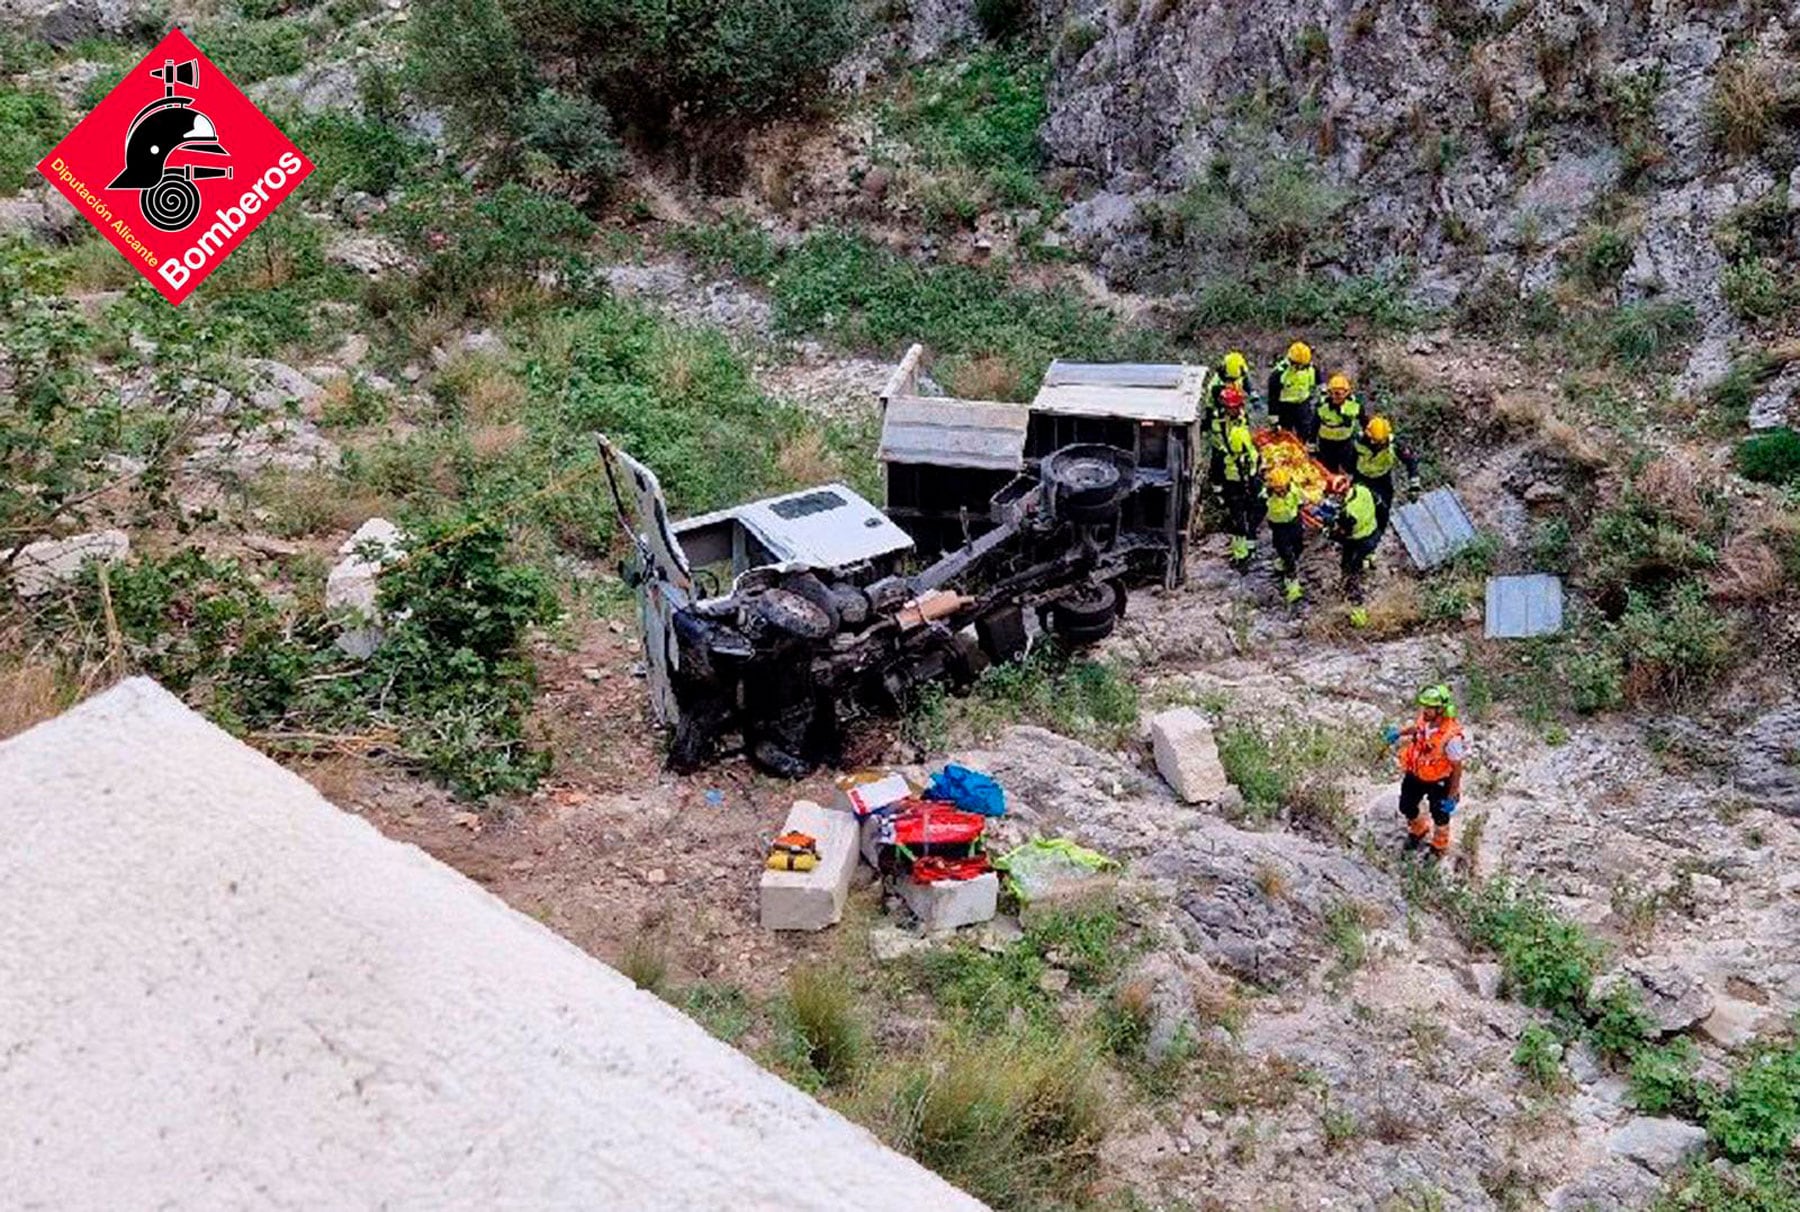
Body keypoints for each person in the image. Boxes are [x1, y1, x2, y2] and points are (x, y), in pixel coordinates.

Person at [1386, 684, 1468, 859]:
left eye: (1430, 707)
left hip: (1439, 780)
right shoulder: (1425, 719)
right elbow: (1418, 728)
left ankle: (1439, 845)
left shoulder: (1451, 737)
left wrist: (1452, 795)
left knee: (1440, 815)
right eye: (1424, 706)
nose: (1425, 710)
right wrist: (1399, 733)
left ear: (1441, 710)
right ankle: (1419, 829)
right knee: (1406, 806)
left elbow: (1457, 767)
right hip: (1416, 773)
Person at [1215, 386, 1262, 567]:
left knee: (1253, 512)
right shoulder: (1222, 426)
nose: (1234, 409)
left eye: (1236, 406)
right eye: (1231, 407)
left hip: (1249, 476)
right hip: (1233, 479)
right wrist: (1218, 489)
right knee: (1238, 517)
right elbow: (1219, 461)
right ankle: (1240, 554)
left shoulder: (1242, 420)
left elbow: (1251, 448)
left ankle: (1250, 548)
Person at [1324, 473, 1380, 626]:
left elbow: (1343, 535)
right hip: (1373, 532)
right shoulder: (1362, 490)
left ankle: (1358, 612)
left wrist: (1329, 533)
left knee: (1351, 574)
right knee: (1347, 564)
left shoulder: (1348, 514)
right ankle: (1367, 561)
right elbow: (1378, 502)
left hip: (1358, 542)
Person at [1353, 415, 1421, 537]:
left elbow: (1411, 461)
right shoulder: (1358, 440)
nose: (1377, 445)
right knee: (1359, 506)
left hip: (1382, 479)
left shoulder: (1394, 445)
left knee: (1383, 507)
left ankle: (1379, 531)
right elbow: (1348, 457)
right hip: (1362, 478)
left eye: (1380, 442)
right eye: (1374, 441)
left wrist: (1414, 486)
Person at [1264, 465, 1306, 603]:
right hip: (1278, 528)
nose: (1280, 490)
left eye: (1282, 487)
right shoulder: (1266, 495)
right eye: (1276, 488)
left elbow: (1301, 504)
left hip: (1294, 523)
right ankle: (1292, 585)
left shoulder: (1294, 490)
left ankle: (1285, 563)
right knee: (1286, 554)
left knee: (1298, 547)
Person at [1266, 341, 1318, 446]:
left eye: (1303, 366)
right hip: (1285, 406)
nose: (1300, 368)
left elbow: (1318, 380)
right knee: (1284, 434)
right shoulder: (1279, 373)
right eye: (1298, 365)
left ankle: (1303, 449)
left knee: (1305, 430)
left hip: (1303, 403)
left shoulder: (1310, 368)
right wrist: (1274, 417)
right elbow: (1273, 396)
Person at [1315, 373, 1363, 475]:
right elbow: (1315, 423)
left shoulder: (1354, 405)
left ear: (1346, 393)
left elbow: (1363, 420)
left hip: (1344, 442)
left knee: (1348, 466)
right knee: (1328, 468)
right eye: (1332, 393)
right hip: (1326, 442)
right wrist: (1311, 441)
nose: (1335, 396)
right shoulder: (1322, 405)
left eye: (1338, 393)